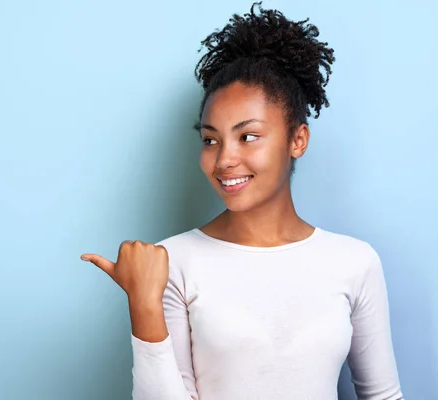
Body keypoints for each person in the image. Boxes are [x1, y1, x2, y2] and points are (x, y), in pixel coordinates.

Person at [81, 2, 404, 399]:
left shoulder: (355, 262)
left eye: (247, 136)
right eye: (210, 139)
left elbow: (383, 395)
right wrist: (143, 306)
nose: (224, 159)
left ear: (297, 140)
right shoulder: (170, 262)